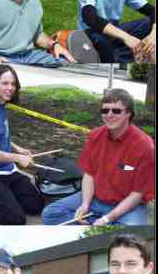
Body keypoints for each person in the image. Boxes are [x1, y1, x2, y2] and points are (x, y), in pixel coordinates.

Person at [43, 89, 155, 226]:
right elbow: (89, 175)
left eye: (116, 111)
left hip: (128, 206)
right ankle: (95, 230)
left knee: (132, 231)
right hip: (95, 200)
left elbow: (137, 194)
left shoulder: (145, 146)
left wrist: (108, 218)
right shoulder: (95, 135)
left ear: (129, 113)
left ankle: (98, 228)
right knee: (51, 214)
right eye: (105, 110)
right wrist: (85, 204)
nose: (109, 115)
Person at [0, 64, 44, 225]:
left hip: (7, 170)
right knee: (16, 219)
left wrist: (17, 148)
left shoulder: (0, 106)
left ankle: (5, 194)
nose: (10, 88)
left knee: (36, 206)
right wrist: (17, 158)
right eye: (5, 83)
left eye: (13, 84)